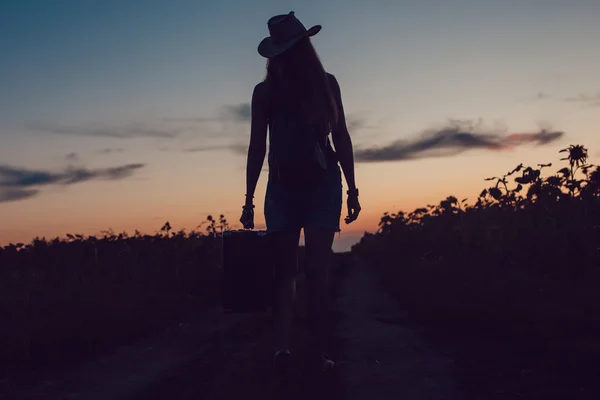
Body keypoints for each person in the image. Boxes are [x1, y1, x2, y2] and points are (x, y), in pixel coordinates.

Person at [240, 11, 361, 377]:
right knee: (294, 273)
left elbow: (340, 137)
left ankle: (309, 349)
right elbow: (256, 148)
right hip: (290, 186)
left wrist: (353, 188)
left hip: (314, 185)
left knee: (303, 273)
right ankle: (290, 350)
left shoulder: (321, 85)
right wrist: (247, 199)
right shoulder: (269, 92)